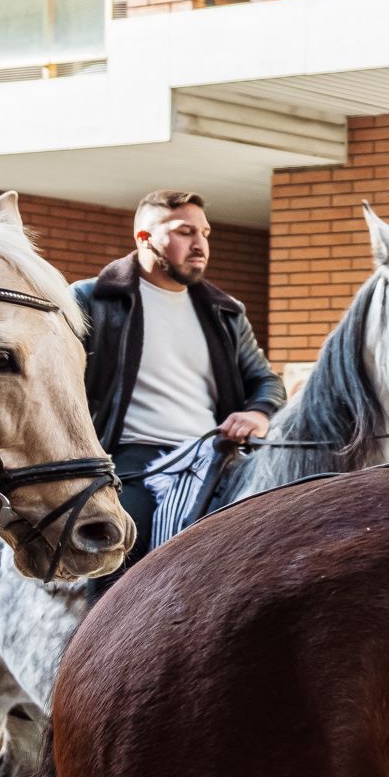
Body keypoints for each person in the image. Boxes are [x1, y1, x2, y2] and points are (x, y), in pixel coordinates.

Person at [74, 190, 283, 588]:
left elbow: (265, 380)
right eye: (185, 232)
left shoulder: (225, 311)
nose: (200, 244)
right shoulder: (91, 299)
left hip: (216, 454)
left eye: (204, 232)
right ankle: (106, 645)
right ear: (143, 237)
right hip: (128, 461)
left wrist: (257, 413)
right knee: (116, 551)